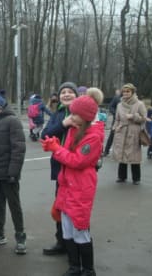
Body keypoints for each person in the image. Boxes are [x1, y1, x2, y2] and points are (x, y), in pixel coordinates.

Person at [41, 93, 105, 276]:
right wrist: (53, 145)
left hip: (81, 187)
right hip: (66, 185)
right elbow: (66, 151)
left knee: (80, 229)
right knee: (67, 229)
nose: (71, 116)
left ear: (85, 116)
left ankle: (88, 269)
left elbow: (77, 161)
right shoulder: (73, 128)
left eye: (75, 113)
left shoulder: (93, 137)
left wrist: (56, 150)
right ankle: (74, 266)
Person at [0, 92, 27, 255]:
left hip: (9, 174)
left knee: (14, 206)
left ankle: (20, 236)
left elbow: (19, 148)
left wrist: (14, 172)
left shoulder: (12, 121)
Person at [41, 81, 78, 256]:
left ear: (77, 95)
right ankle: (61, 242)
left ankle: (78, 244)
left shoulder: (84, 113)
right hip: (60, 168)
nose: (66, 94)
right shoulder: (59, 114)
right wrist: (63, 124)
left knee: (76, 208)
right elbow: (45, 135)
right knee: (60, 206)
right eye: (63, 92)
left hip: (78, 169)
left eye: (70, 91)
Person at [112, 83, 147, 185]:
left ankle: (136, 178)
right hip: (122, 131)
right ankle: (121, 176)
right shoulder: (119, 104)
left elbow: (144, 118)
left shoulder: (139, 104)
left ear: (132, 92)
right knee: (122, 154)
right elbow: (117, 119)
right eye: (124, 91)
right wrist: (115, 128)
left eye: (128, 91)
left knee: (134, 156)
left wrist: (133, 116)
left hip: (133, 132)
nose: (125, 93)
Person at [103, 89, 121, 156]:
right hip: (116, 120)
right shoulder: (117, 98)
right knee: (112, 135)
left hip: (127, 121)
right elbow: (110, 107)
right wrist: (115, 113)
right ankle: (106, 151)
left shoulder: (129, 100)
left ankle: (121, 152)